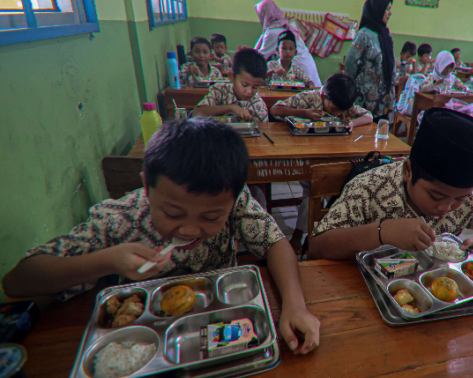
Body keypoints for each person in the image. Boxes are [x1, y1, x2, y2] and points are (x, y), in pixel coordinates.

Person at [2, 118, 321, 354]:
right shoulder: (119, 218)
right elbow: (18, 281)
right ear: (147, 185)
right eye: (173, 214)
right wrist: (106, 260)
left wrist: (295, 306)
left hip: (216, 327)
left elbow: (275, 243)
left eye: (211, 217)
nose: (189, 229)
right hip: (143, 342)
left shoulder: (235, 203)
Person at [308, 107, 473, 270]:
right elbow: (317, 246)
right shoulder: (369, 188)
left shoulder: (471, 195)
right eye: (436, 195)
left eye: (459, 199)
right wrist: (383, 232)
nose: (446, 208)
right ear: (408, 171)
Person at [270, 73, 373, 253]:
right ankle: (299, 235)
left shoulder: (343, 105)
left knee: (333, 189)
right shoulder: (310, 97)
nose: (339, 114)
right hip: (305, 156)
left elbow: (369, 117)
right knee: (314, 191)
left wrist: (352, 124)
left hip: (330, 156)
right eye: (334, 110)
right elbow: (275, 109)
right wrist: (303, 113)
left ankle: (319, 232)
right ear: (324, 96)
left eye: (342, 111)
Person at [345, 0, 396, 120]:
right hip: (364, 95)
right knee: (363, 129)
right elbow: (350, 60)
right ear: (378, 9)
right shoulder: (364, 35)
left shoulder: (386, 34)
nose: (390, 13)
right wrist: (356, 79)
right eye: (387, 9)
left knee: (380, 131)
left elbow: (392, 61)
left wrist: (393, 85)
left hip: (384, 95)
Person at [254, 0, 322, 87]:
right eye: (284, 49)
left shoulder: (273, 32)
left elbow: (260, 57)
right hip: (307, 65)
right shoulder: (285, 25)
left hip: (298, 72)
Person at [193, 48, 269, 124]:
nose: (249, 91)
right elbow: (196, 113)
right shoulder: (220, 91)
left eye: (255, 87)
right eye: (244, 85)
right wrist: (231, 108)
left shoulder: (258, 105)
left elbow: (264, 131)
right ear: (231, 77)